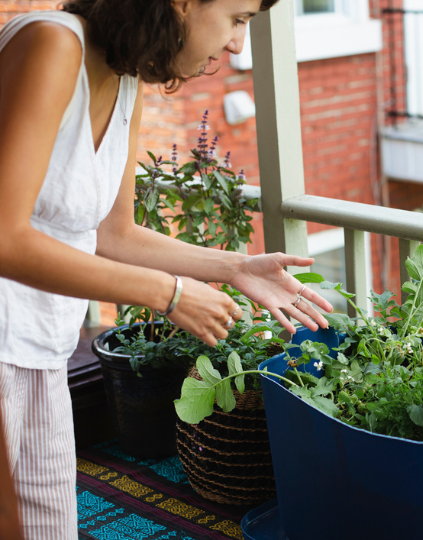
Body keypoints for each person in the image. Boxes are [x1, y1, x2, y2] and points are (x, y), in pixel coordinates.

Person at [0, 0, 333, 538]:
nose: (237, 44)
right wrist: (171, 294)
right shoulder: (52, 44)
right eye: (239, 18)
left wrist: (235, 266)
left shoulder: (123, 77)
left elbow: (114, 234)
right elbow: (4, 235)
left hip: (40, 355)